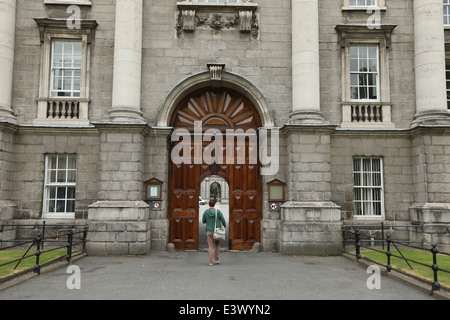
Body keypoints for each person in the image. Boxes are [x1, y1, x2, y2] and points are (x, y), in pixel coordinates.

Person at [202, 198, 226, 266]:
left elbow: (203, 221)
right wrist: (224, 226)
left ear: (209, 204)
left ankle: (211, 262)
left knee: (210, 246)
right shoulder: (217, 211)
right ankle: (217, 259)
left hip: (209, 231)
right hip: (217, 231)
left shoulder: (206, 212)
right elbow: (223, 220)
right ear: (214, 204)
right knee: (217, 245)